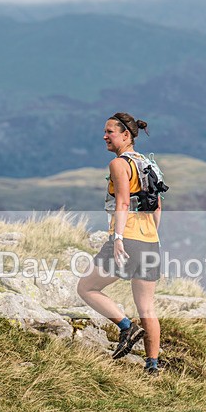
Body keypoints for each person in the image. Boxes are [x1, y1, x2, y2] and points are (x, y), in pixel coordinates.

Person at [77, 112, 162, 375]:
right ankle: (152, 366)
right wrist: (150, 236)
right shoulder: (149, 164)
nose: (104, 136)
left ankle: (127, 327)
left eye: (109, 132)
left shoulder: (119, 164)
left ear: (126, 135)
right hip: (151, 241)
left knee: (87, 288)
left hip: (128, 238)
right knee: (147, 307)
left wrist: (119, 238)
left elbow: (123, 202)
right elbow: (158, 206)